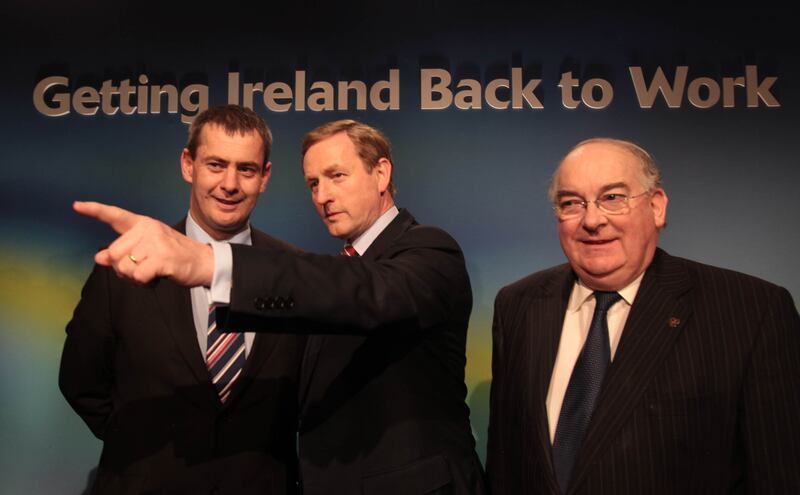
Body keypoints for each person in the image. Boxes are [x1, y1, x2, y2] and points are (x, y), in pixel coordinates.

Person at [72, 119, 486, 494]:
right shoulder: (322, 275)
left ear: (381, 172)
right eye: (313, 183)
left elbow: (365, 293)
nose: (323, 196)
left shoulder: (429, 250)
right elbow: (83, 381)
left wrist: (207, 262)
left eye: (336, 176)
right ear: (188, 165)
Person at [486, 137, 800, 494]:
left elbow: (780, 475)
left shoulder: (751, 311)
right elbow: (506, 464)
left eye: (613, 198)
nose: (592, 220)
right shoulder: (518, 305)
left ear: (656, 207)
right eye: (571, 203)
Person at [60, 105, 305, 495]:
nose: (230, 184)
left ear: (265, 177)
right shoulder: (125, 263)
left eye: (246, 169)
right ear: (188, 165)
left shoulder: (295, 272)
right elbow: (80, 380)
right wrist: (139, 448)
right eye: (216, 164)